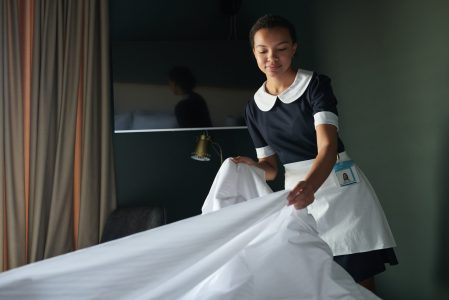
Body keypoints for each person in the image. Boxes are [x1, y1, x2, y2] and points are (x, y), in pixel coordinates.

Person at [231, 14, 398, 292]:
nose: (272, 57)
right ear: (254, 53)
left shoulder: (315, 86)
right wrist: (253, 166)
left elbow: (328, 148)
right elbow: (270, 168)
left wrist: (310, 186)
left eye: (281, 48)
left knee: (358, 279)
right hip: (297, 197)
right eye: (263, 51)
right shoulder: (254, 107)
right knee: (312, 280)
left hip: (339, 191)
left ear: (294, 48)